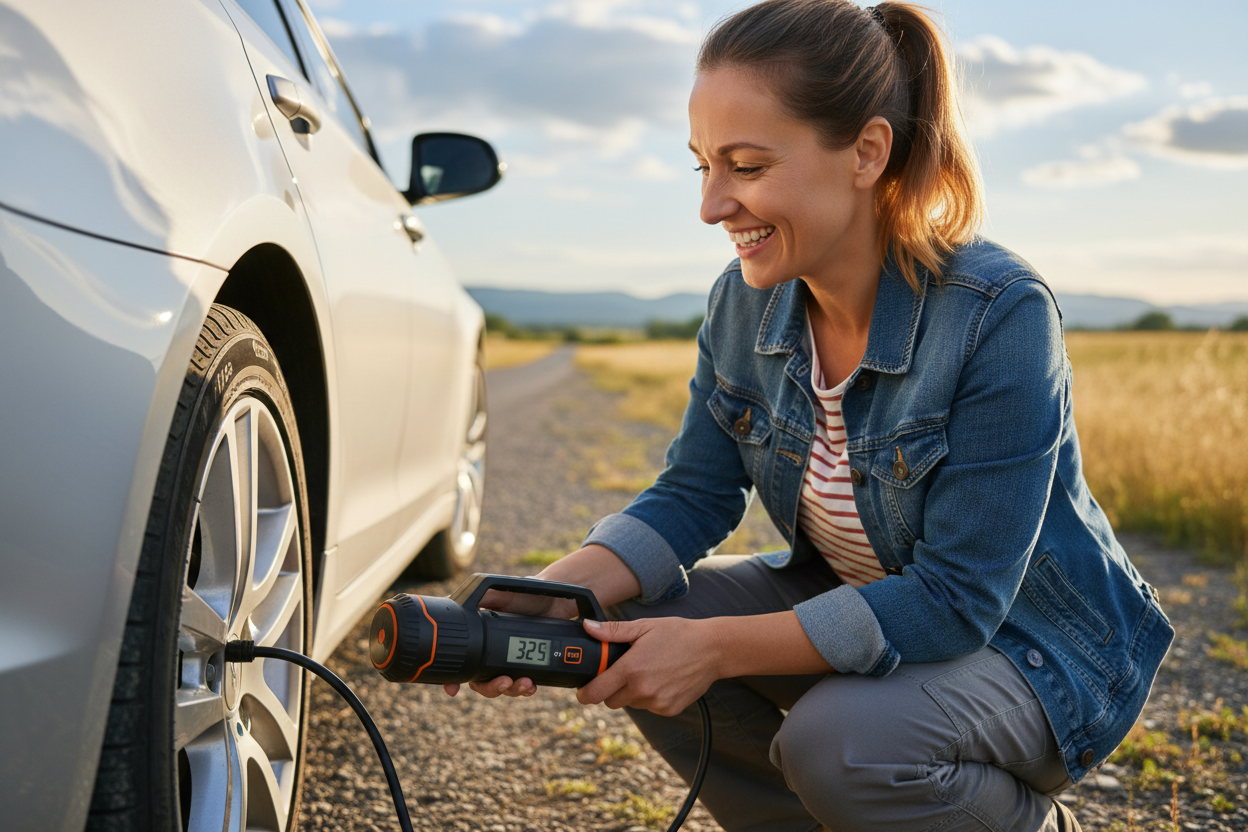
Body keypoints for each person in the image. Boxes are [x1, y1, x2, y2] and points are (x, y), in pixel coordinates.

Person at [445, 1, 1174, 829]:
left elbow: (956, 599)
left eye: (747, 167)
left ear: (866, 152)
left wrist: (716, 648)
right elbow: (693, 495)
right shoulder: (741, 305)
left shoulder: (998, 312)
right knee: (626, 627)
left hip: (1032, 649)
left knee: (840, 745)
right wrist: (547, 599)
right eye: (702, 168)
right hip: (864, 599)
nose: (713, 206)